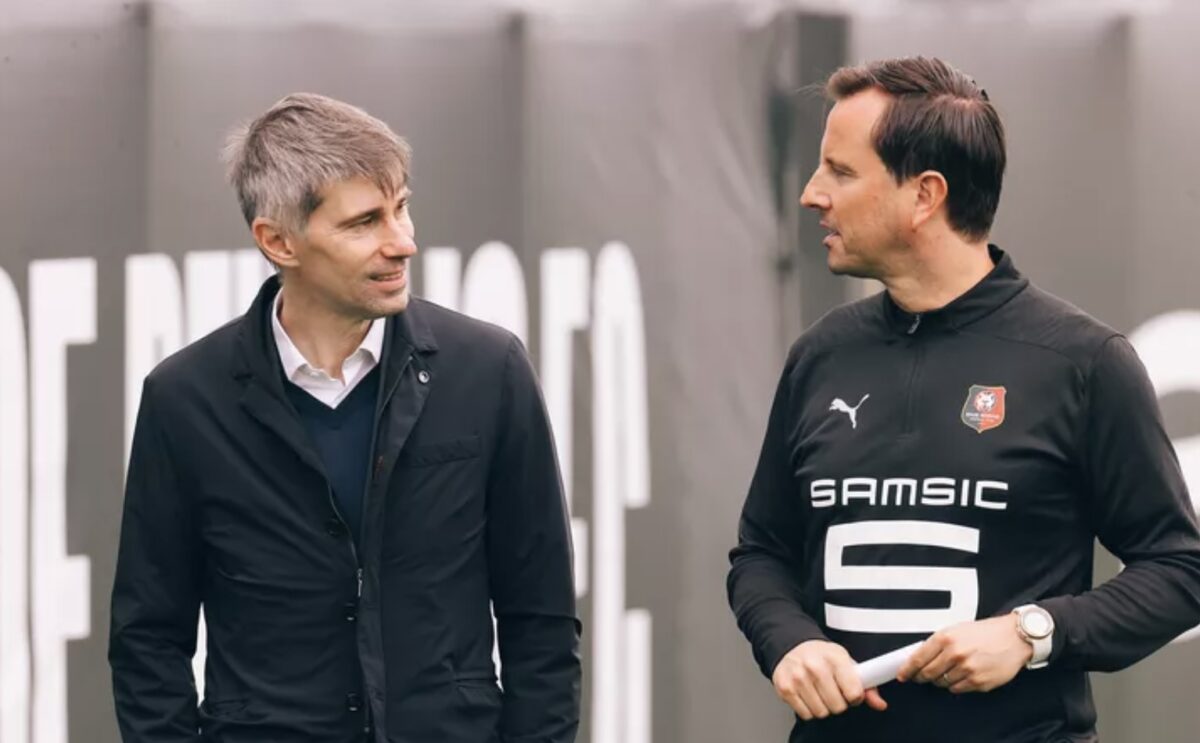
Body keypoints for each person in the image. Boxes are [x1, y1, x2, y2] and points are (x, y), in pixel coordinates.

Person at [726, 56, 1200, 742]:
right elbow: (762, 551)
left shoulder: (1082, 361)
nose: (811, 194)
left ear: (925, 195)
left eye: (841, 171)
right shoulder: (821, 355)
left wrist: (1033, 633)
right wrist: (791, 641)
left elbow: (1180, 569)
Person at [109, 93, 581, 743]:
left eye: (402, 207)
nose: (403, 242)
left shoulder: (488, 370)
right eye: (364, 223)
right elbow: (148, 641)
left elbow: (543, 621)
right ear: (278, 241)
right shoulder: (185, 399)